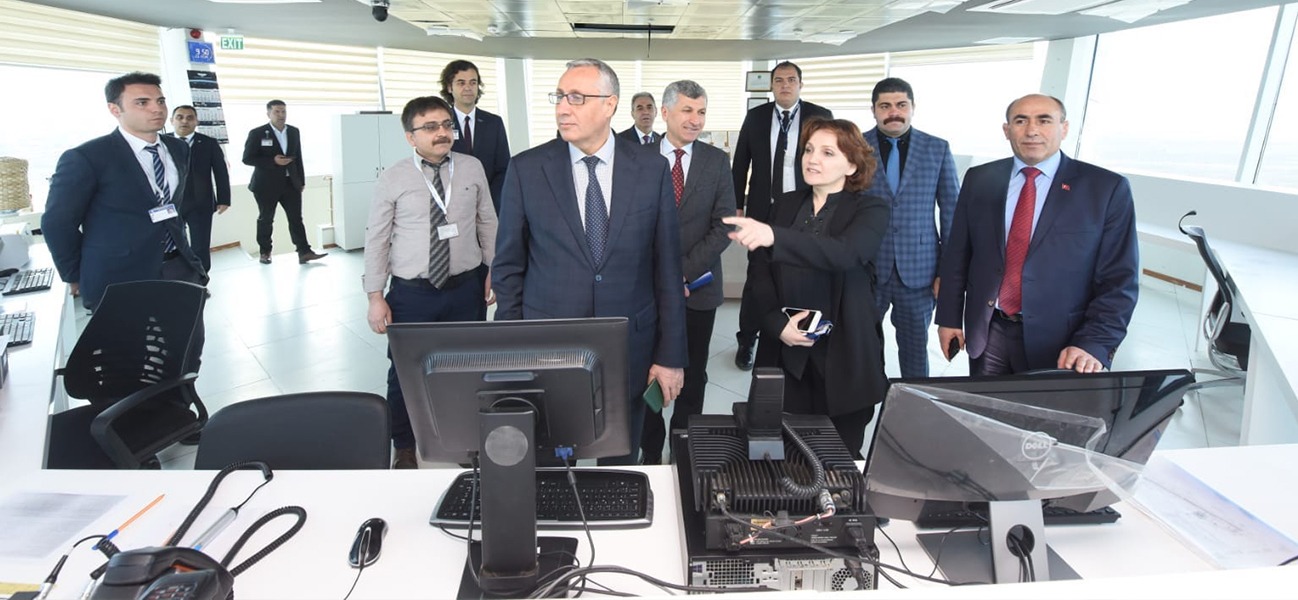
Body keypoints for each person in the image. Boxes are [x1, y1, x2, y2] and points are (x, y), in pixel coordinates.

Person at [493, 58, 687, 466]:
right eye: (560, 97)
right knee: (549, 463)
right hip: (548, 345)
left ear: (610, 104)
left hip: (629, 344)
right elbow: (508, 268)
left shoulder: (651, 168)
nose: (563, 108)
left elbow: (667, 270)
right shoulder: (527, 169)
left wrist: (670, 356)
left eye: (577, 98)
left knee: (620, 463)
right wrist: (511, 351)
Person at [936, 94, 1139, 375]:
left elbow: (1120, 280)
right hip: (988, 331)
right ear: (1007, 130)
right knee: (985, 403)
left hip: (1063, 343)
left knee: (1045, 406)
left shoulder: (1105, 189)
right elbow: (958, 254)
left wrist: (1094, 342)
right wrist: (948, 318)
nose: (1032, 130)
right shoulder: (979, 179)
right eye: (1021, 121)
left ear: (1064, 128)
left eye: (1044, 120)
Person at [724, 117, 890, 458]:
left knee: (839, 457)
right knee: (782, 453)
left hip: (844, 354)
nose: (812, 159)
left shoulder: (871, 209)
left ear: (852, 165)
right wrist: (776, 323)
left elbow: (845, 253)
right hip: (785, 351)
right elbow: (760, 273)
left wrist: (774, 236)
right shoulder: (784, 205)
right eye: (809, 150)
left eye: (828, 153)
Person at [364, 96, 498, 469]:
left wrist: (494, 268)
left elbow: (488, 221)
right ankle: (404, 445)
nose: (442, 133)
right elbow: (377, 238)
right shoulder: (393, 177)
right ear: (411, 136)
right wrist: (375, 295)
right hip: (412, 294)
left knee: (468, 368)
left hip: (466, 288)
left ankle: (466, 440)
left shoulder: (471, 168)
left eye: (446, 125)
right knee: (404, 373)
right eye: (430, 127)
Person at [43, 71, 208, 313]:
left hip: (178, 265)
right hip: (121, 274)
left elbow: (172, 205)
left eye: (160, 101)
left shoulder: (178, 148)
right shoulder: (87, 157)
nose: (157, 109)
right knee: (131, 338)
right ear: (115, 109)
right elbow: (57, 223)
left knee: (188, 336)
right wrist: (76, 274)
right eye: (142, 102)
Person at [639, 80, 736, 465]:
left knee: (692, 375)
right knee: (647, 372)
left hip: (698, 288)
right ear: (665, 113)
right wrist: (661, 278)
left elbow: (724, 226)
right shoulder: (637, 157)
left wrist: (680, 274)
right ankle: (649, 451)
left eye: (701, 112)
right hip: (644, 290)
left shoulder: (716, 161)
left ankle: (683, 449)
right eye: (687, 111)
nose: (695, 120)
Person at [731, 61, 833, 371]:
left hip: (806, 210)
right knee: (757, 277)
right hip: (764, 210)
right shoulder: (756, 116)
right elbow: (741, 162)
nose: (785, 85)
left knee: (801, 274)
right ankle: (748, 339)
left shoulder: (820, 116)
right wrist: (737, 204)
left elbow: (831, 161)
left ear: (801, 84)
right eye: (779, 80)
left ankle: (799, 332)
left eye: (791, 80)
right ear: (771, 85)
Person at [863, 78, 959, 378]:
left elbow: (952, 213)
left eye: (901, 105)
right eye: (885, 106)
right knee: (861, 346)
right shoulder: (855, 147)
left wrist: (947, 273)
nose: (894, 112)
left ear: (913, 107)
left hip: (920, 272)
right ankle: (864, 398)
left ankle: (914, 401)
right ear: (874, 110)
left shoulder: (937, 148)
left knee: (915, 350)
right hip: (866, 269)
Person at [241, 99, 326, 265]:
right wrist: (273, 161)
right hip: (266, 185)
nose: (281, 115)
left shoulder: (293, 131)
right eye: (277, 112)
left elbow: (298, 157)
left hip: (290, 183)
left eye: (283, 111)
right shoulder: (257, 133)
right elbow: (247, 158)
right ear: (268, 114)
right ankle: (265, 252)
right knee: (266, 219)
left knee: (296, 219)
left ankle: (304, 252)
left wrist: (300, 181)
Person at [167, 104, 231, 273]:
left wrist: (224, 199)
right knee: (174, 243)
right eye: (180, 117)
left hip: (201, 203)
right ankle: (179, 277)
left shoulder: (208, 143)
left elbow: (221, 172)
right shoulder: (162, 142)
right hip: (172, 204)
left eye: (190, 118)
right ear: (172, 120)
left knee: (200, 245)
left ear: (196, 122)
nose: (184, 121)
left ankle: (201, 278)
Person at [441, 59, 511, 211]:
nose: (468, 87)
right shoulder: (441, 124)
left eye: (473, 83)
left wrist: (490, 200)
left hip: (489, 204)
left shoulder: (494, 122)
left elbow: (504, 168)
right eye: (461, 83)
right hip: (452, 205)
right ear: (449, 87)